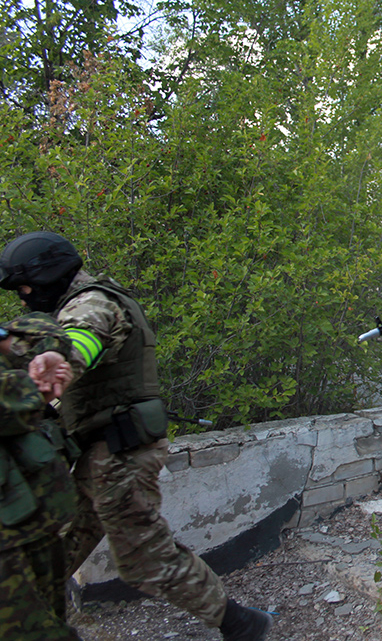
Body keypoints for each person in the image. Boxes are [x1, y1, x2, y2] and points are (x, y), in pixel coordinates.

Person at [0, 232, 272, 641]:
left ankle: (242, 624)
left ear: (49, 277)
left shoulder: (93, 303)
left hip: (120, 457)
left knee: (144, 558)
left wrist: (62, 363)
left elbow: (84, 338)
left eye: (25, 289)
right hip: (99, 456)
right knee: (52, 549)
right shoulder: (76, 303)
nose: (23, 299)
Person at [0, 312, 79, 639]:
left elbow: (47, 332)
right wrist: (33, 391)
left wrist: (51, 355)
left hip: (31, 522)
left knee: (51, 619)